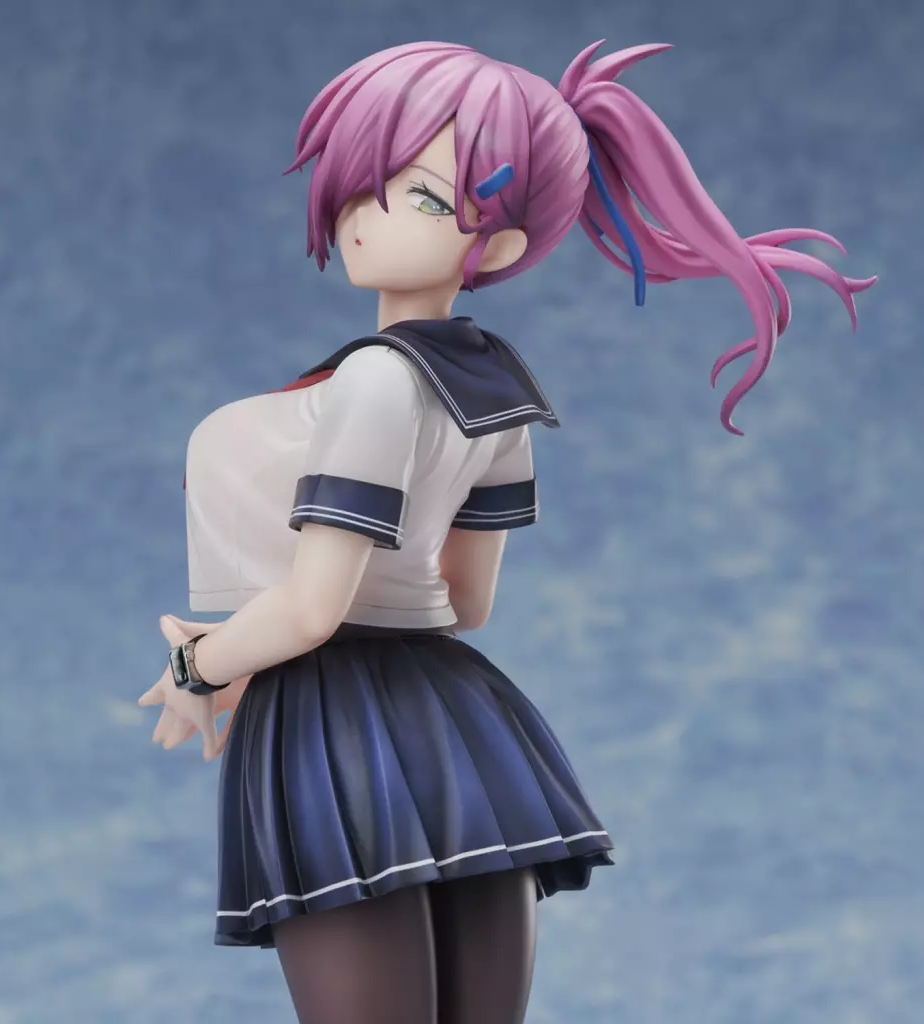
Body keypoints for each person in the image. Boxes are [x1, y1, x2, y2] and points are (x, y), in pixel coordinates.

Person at [137, 39, 875, 1024]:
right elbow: (465, 601)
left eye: (419, 195)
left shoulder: (374, 379)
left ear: (502, 245)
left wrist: (201, 665)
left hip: (334, 725)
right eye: (365, 178)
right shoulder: (499, 388)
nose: (364, 209)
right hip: (462, 725)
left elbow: (312, 610)